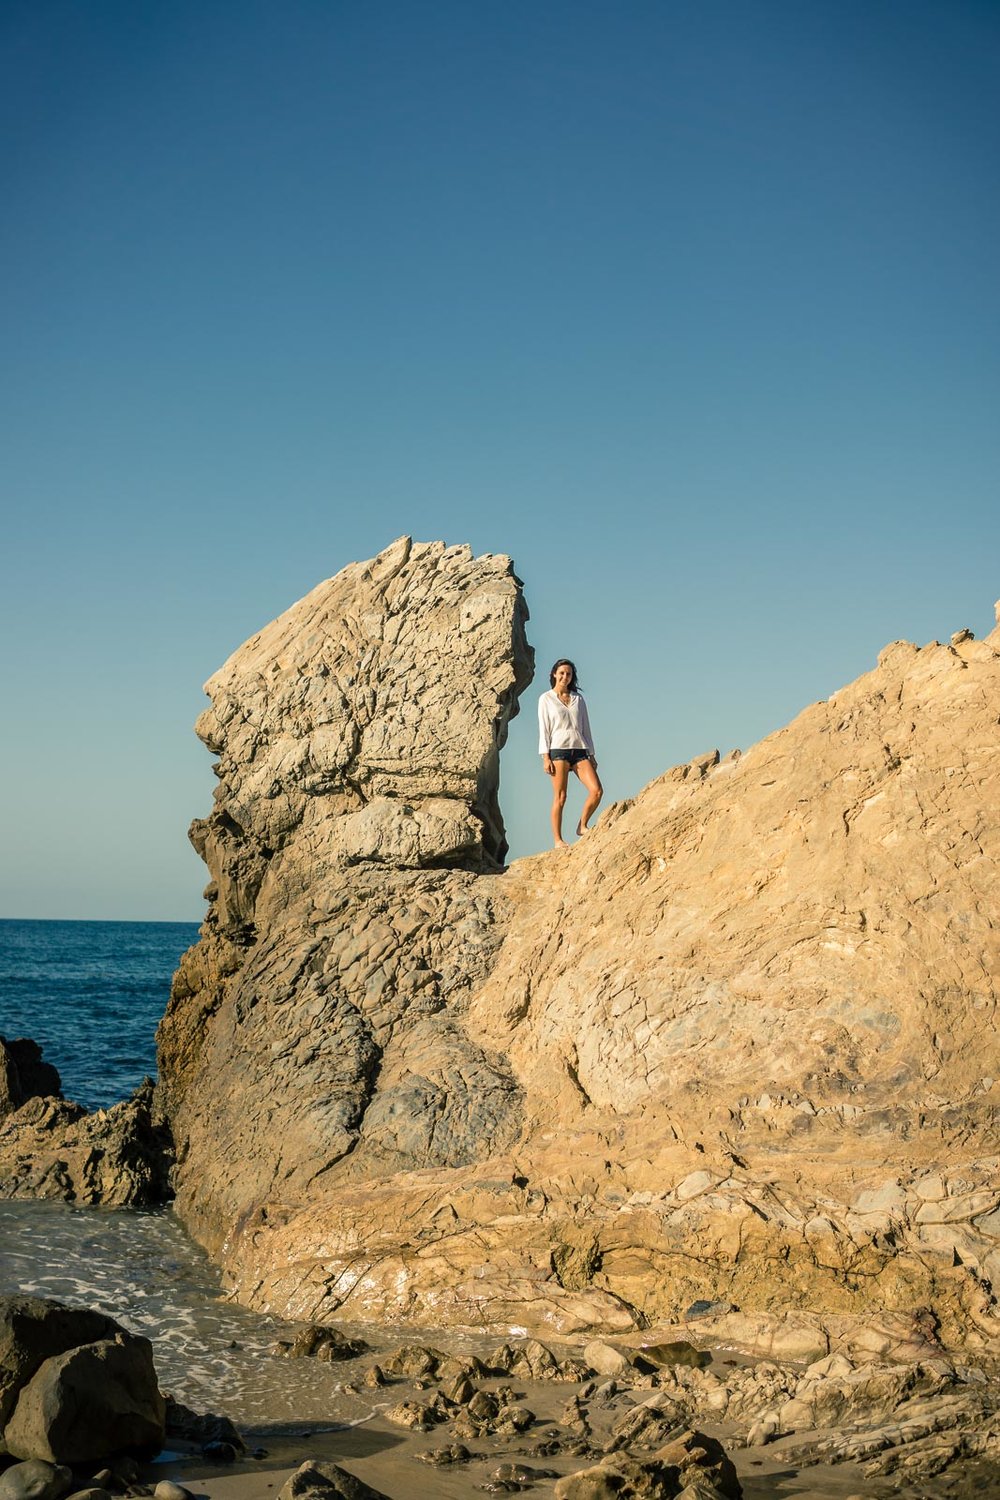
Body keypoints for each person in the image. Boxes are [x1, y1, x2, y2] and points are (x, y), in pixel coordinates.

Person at [538, 659, 603, 849]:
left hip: (580, 749)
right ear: (554, 674)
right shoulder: (546, 699)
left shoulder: (578, 699)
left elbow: (586, 728)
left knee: (596, 790)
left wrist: (591, 754)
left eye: (568, 674)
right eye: (562, 673)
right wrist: (545, 756)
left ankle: (582, 826)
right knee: (560, 796)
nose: (565, 676)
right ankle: (558, 840)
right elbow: (544, 729)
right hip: (558, 751)